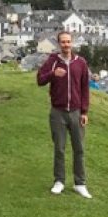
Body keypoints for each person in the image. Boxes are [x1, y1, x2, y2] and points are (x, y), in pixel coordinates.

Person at [36, 31, 92, 199]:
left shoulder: (80, 63)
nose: (66, 45)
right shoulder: (53, 61)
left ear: (72, 43)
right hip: (58, 112)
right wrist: (53, 74)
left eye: (68, 42)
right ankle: (59, 181)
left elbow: (85, 89)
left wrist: (84, 112)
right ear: (58, 43)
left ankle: (80, 183)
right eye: (63, 42)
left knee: (79, 149)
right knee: (59, 148)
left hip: (75, 112)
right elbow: (40, 80)